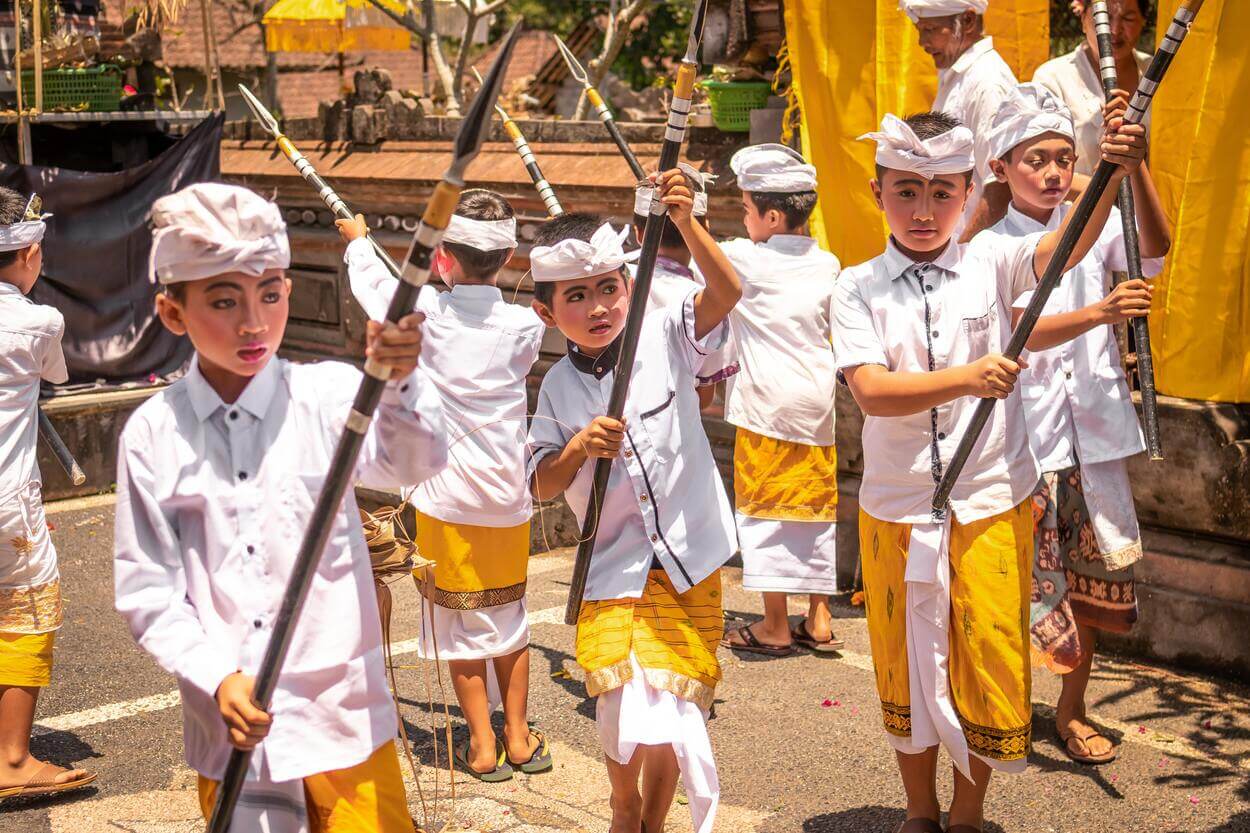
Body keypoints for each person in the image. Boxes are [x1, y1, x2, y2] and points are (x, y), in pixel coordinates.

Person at [832, 102, 1146, 832]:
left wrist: (1109, 168)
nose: (924, 209)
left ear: (971, 192)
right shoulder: (856, 285)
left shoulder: (992, 261)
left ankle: (967, 816)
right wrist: (971, 378)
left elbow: (1064, 249)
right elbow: (872, 393)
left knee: (987, 660)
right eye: (906, 189)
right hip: (896, 507)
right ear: (876, 192)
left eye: (943, 191)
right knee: (907, 663)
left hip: (993, 501)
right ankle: (919, 810)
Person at [114, 182, 447, 832]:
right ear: (172, 312)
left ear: (289, 292)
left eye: (269, 293)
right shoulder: (152, 434)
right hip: (232, 726)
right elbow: (148, 592)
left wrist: (404, 377)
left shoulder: (330, 395)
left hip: (343, 719)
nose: (252, 322)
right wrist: (217, 676)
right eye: (223, 300)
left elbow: (417, 460)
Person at [526, 168, 741, 833]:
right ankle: (623, 805)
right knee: (619, 693)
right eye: (577, 296)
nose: (597, 307)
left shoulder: (667, 326)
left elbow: (729, 291)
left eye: (609, 289)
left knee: (677, 702)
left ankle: (652, 818)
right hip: (611, 567)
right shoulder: (557, 390)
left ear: (629, 284)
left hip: (690, 553)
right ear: (545, 311)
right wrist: (577, 450)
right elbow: (538, 484)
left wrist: (685, 222)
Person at [985, 83, 1170, 765]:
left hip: (1090, 439)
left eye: (1065, 157)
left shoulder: (1097, 224)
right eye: (1036, 159)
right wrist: (1099, 314)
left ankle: (1070, 710)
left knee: (1091, 588)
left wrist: (1134, 164)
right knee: (1011, 587)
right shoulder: (987, 246)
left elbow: (1155, 249)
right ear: (1000, 167)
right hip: (1021, 444)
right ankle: (998, 703)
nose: (1055, 172)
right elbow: (1018, 330)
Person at [340, 189, 552, 782]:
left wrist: (359, 245)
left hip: (447, 499)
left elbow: (379, 293)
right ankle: (518, 739)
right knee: (509, 615)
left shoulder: (427, 313)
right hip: (507, 497)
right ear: (509, 257)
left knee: (459, 625)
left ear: (441, 260)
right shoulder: (521, 328)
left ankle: (482, 746)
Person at [715, 144, 843, 657]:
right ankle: (818, 615)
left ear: (771, 216)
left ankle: (773, 623)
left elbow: (698, 254)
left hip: (767, 404)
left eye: (746, 210)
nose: (743, 220)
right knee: (813, 506)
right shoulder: (829, 262)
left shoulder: (745, 258)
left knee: (765, 507)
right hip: (816, 403)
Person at [0, 189, 96, 800]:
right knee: (25, 613)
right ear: (30, 254)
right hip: (7, 498)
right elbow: (54, 374)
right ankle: (10, 760)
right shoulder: (39, 320)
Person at [900, 0, 1020, 236]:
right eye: (919, 30)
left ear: (967, 21)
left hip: (977, 255)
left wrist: (966, 253)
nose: (922, 42)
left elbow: (1001, 185)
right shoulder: (958, 76)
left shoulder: (988, 82)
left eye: (930, 29)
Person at [631, 164, 739, 410]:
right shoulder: (700, 300)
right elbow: (702, 397)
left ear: (638, 234)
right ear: (706, 229)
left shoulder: (615, 284)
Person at [1034, 0, 1153, 177]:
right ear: (1083, 19)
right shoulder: (1051, 79)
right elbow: (1040, 169)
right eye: (1103, 19)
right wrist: (1107, 184)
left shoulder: (1156, 73)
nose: (1114, 30)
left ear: (1143, 20)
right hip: (1080, 203)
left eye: (1127, 18)